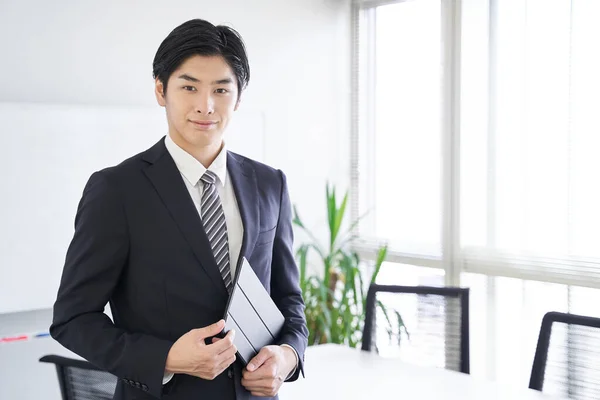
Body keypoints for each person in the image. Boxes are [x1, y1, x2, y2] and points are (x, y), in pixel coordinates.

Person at [50, 18, 308, 400]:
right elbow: (73, 319)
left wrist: (288, 356)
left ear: (238, 97)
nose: (205, 106)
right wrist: (166, 358)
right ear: (161, 90)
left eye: (221, 89)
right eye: (189, 87)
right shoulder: (117, 190)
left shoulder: (270, 183)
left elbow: (288, 299)